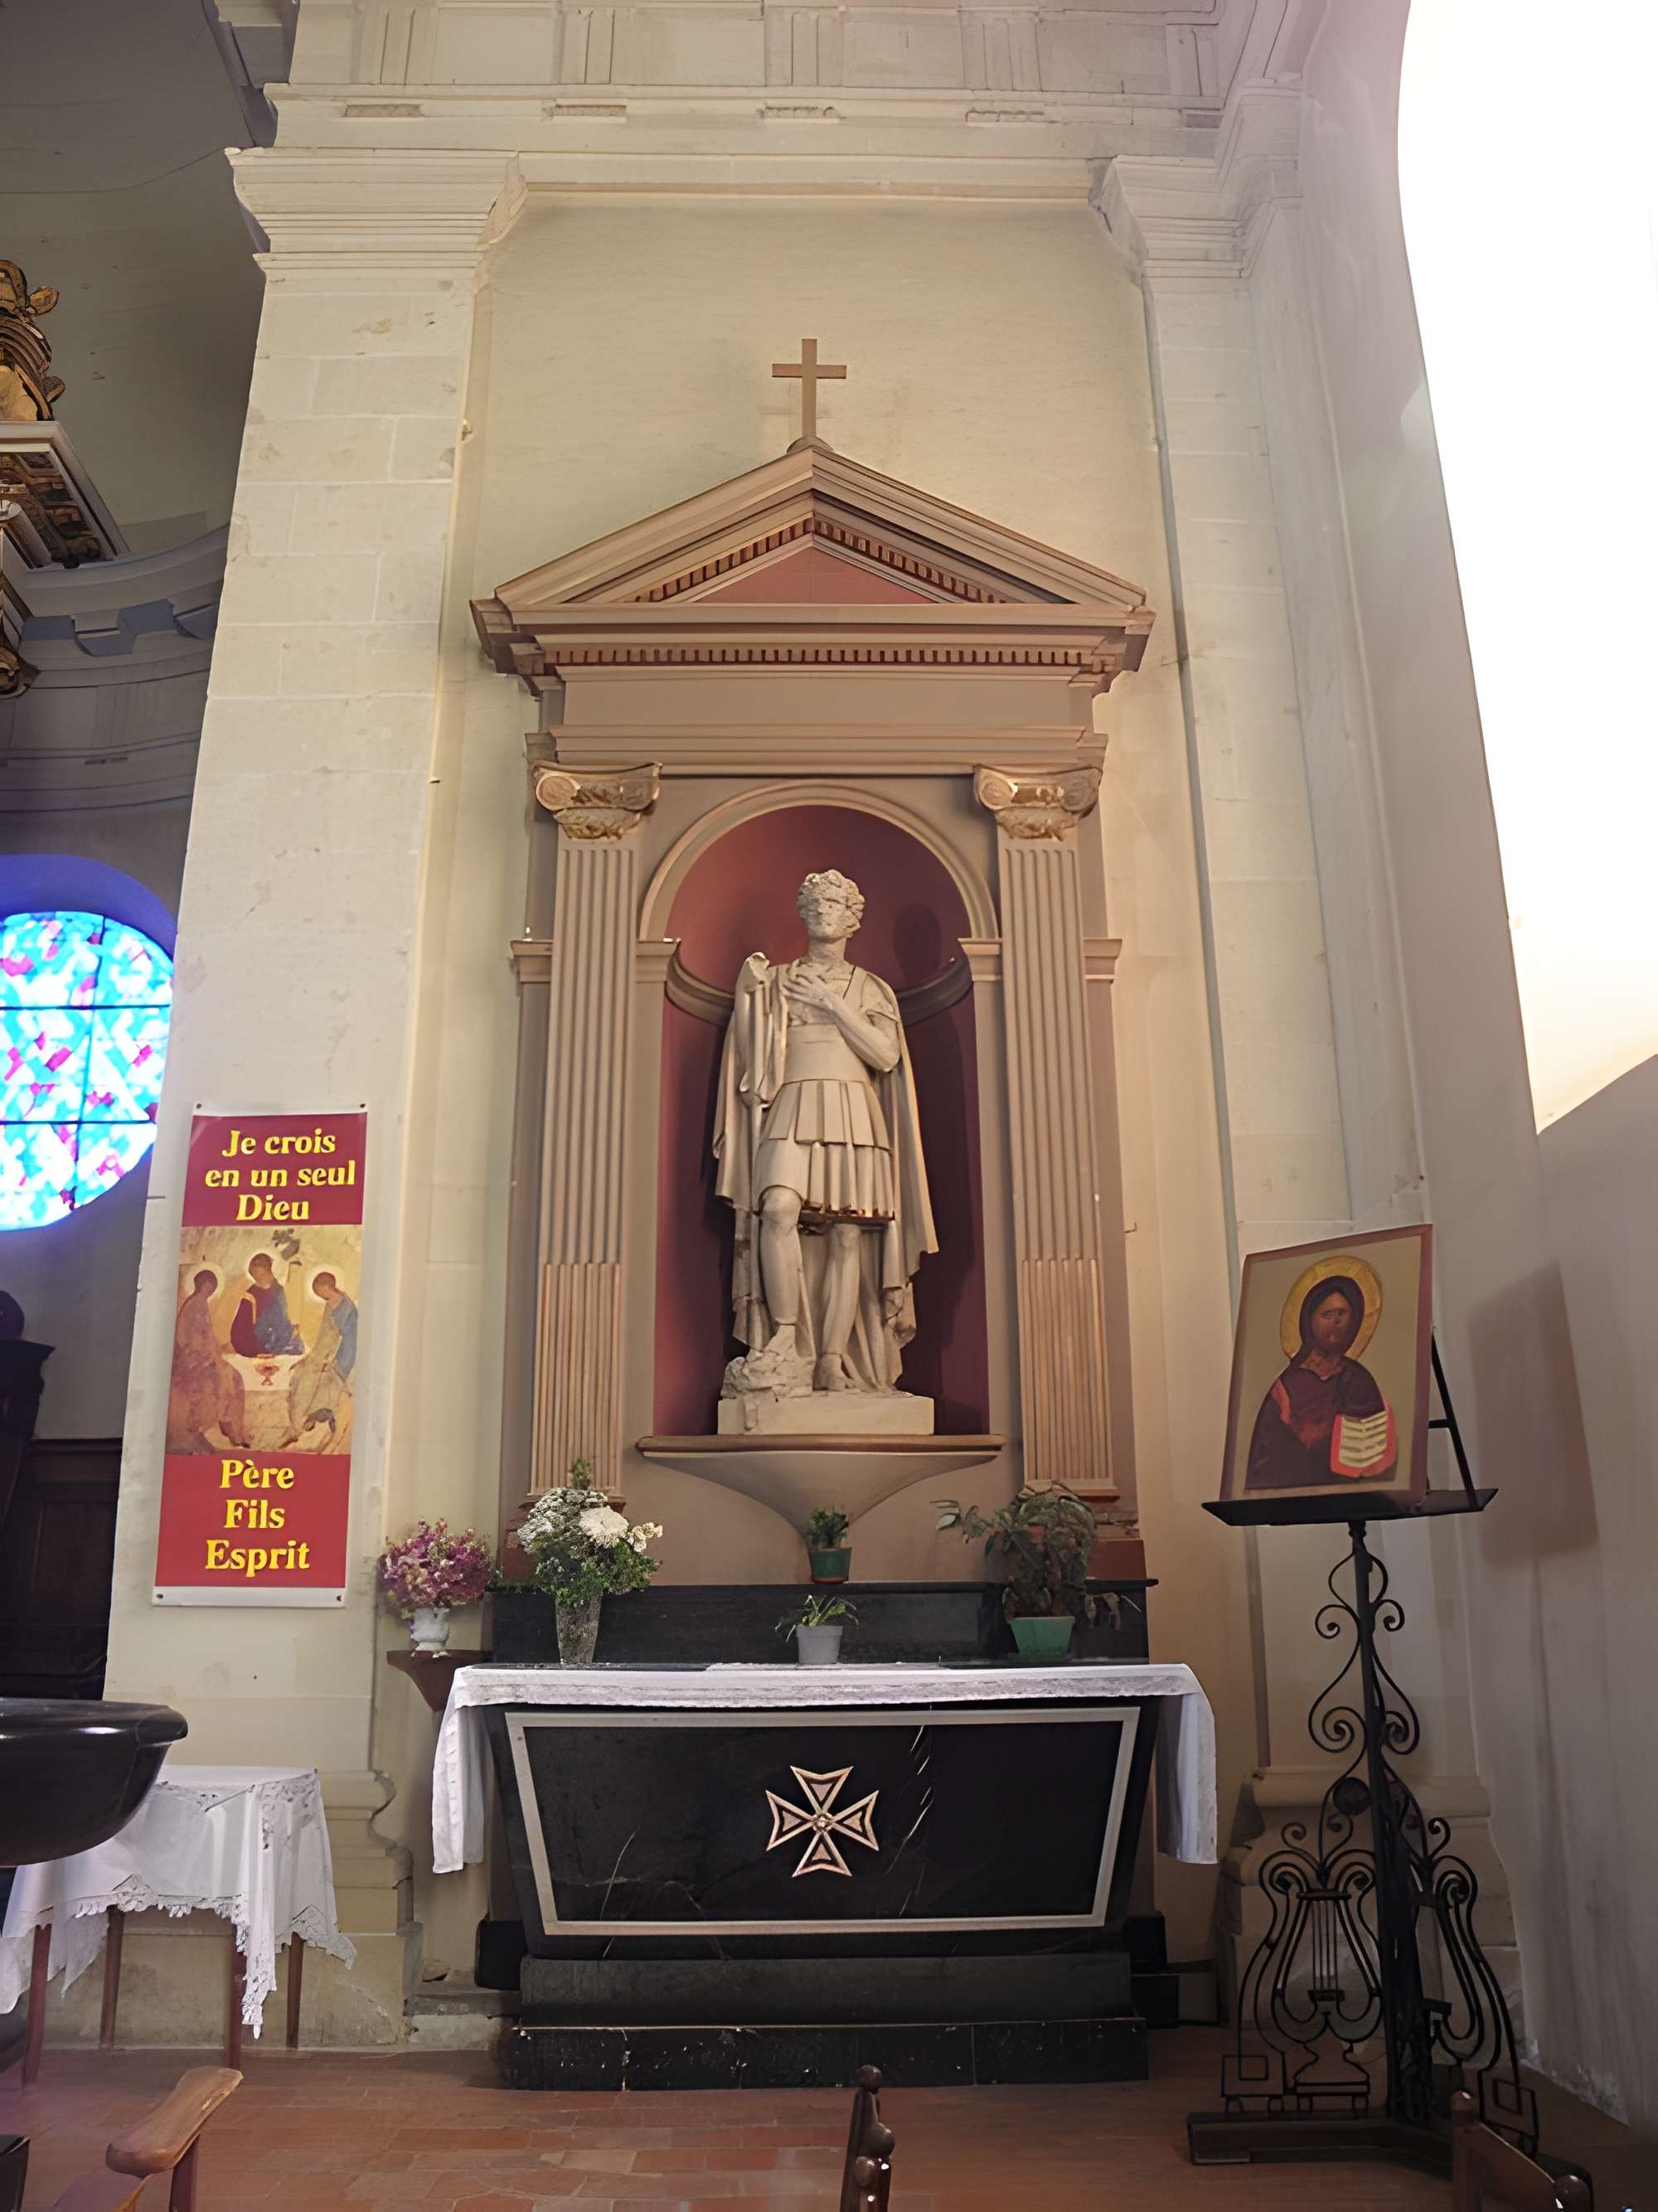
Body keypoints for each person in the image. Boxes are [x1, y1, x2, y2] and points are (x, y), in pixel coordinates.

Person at [714, 868, 936, 1395]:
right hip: (793, 1101)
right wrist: (751, 995)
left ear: (853, 920)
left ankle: (831, 1361)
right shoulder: (779, 980)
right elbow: (751, 1052)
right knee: (777, 1208)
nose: (822, 911)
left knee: (846, 1233)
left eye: (834, 903)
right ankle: (785, 1336)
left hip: (852, 1108)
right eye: (813, 902)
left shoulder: (870, 988)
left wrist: (834, 1006)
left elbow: (885, 1054)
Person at [1245, 1273, 1397, 1490]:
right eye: (1327, 1314)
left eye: (1342, 1314)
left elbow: (1375, 1451)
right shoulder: (1286, 1385)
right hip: (1293, 1493)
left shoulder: (1359, 1379)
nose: (1335, 1322)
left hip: (1349, 1492)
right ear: (1310, 1320)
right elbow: (1264, 1457)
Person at [167, 1269, 247, 1450]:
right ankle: (222, 1426)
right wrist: (217, 1359)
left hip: (197, 1359)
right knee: (230, 1378)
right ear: (205, 1285)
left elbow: (206, 1337)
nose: (213, 1289)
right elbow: (200, 1340)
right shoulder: (197, 1304)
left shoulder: (195, 1302)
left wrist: (219, 1350)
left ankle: (229, 1424)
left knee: (231, 1377)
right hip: (193, 1363)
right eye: (212, 1285)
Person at [285, 1272, 358, 1449]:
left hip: (343, 1357)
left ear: (326, 1287)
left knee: (322, 1384)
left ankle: (313, 1419)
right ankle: (297, 1423)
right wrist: (312, 1356)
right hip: (324, 1355)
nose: (319, 1295)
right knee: (301, 1375)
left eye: (319, 1291)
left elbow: (348, 1339)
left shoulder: (346, 1308)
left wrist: (331, 1360)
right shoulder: (331, 1304)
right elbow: (324, 1336)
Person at [230, 1251, 303, 1359]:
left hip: (280, 1339)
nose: (259, 1278)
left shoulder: (279, 1290)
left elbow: (285, 1320)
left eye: (261, 1275)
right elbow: (239, 1331)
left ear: (269, 1271)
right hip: (255, 1343)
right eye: (255, 1276)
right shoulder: (250, 1295)